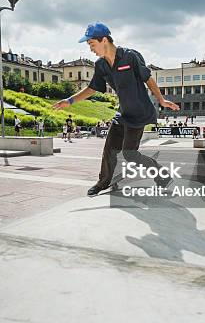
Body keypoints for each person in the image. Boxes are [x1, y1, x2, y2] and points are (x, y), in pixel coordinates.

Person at [53, 22, 179, 196]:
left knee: (130, 154)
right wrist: (70, 100)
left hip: (139, 113)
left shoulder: (130, 56)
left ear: (104, 40)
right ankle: (103, 182)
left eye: (92, 44)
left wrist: (161, 99)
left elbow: (148, 79)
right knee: (109, 148)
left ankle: (162, 176)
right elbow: (92, 88)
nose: (91, 49)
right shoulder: (101, 65)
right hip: (123, 113)